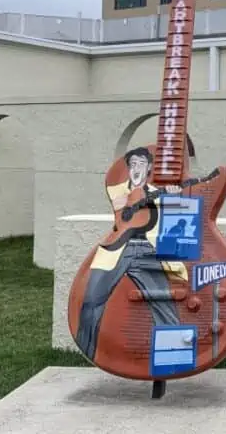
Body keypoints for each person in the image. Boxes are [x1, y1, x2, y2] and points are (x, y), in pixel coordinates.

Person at [74, 146, 185, 361]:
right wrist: (145, 195)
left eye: (141, 164)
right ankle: (88, 353)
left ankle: (173, 361)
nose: (136, 168)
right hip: (115, 249)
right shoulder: (117, 189)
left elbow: (176, 224)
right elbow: (120, 203)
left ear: (149, 167)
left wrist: (174, 198)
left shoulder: (160, 193)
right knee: (90, 301)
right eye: (133, 164)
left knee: (165, 306)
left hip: (147, 250)